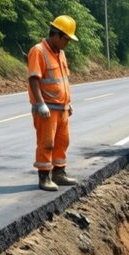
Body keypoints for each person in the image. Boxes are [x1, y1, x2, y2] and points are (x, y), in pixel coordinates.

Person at [28, 15, 79, 192]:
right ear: (56, 35)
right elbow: (34, 79)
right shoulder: (39, 51)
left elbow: (62, 79)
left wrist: (68, 102)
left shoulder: (61, 54)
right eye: (66, 39)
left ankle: (59, 173)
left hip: (62, 108)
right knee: (46, 143)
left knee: (63, 142)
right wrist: (41, 104)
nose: (68, 43)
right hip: (47, 109)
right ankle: (44, 176)